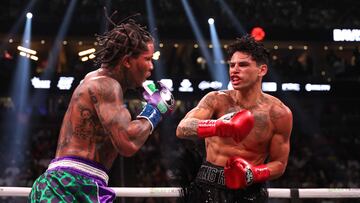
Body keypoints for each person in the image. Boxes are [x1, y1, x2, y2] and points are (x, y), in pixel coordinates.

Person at [28, 16, 175, 203]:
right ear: (128, 61)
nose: (151, 66)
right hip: (72, 183)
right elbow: (127, 143)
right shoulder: (107, 86)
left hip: (70, 181)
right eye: (147, 59)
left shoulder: (97, 80)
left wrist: (139, 88)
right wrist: (154, 110)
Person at [176, 34, 293, 202]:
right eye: (232, 65)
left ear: (262, 70)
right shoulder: (216, 99)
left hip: (248, 191)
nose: (234, 70)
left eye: (243, 65)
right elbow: (182, 128)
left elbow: (280, 164)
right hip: (206, 187)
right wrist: (218, 126)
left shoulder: (279, 113)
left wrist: (253, 173)